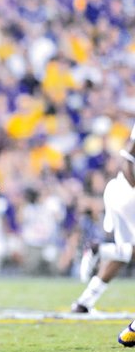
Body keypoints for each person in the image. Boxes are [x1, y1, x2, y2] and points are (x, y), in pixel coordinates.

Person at [72, 124, 135, 313]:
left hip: (120, 190)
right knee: (125, 250)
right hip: (129, 191)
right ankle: (100, 248)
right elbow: (127, 159)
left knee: (124, 252)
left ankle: (84, 302)